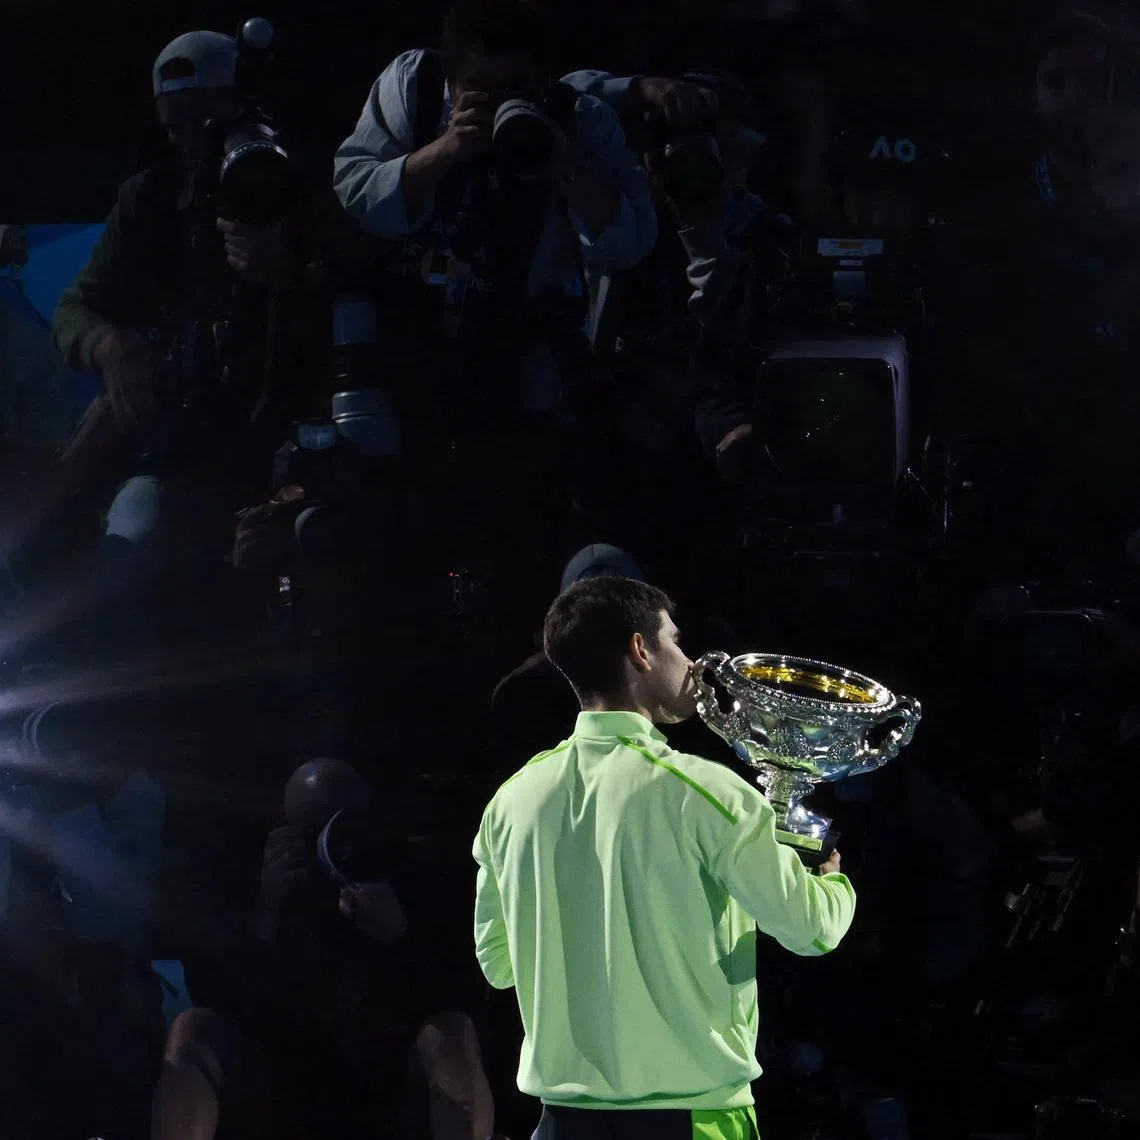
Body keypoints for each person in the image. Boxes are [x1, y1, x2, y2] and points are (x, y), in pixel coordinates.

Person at [473, 576, 856, 1137]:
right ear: (640, 649)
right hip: (692, 1117)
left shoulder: (510, 802)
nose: (690, 661)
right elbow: (812, 931)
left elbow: (498, 966)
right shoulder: (706, 793)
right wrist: (831, 881)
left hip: (561, 1122)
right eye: (676, 641)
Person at [332, 0, 657, 644]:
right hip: (406, 353)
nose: (500, 103)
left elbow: (631, 241)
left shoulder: (579, 120)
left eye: (517, 89)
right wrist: (446, 149)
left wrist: (564, 164)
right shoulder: (413, 87)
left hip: (519, 365)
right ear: (452, 77)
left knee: (513, 542)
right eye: (479, 88)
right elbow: (355, 189)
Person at [49, 29, 347, 662]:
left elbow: (357, 327)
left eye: (204, 125)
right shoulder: (151, 200)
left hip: (291, 456)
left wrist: (291, 278)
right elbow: (74, 309)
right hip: (182, 451)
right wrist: (109, 345)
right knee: (132, 542)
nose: (189, 143)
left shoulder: (312, 193)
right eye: (174, 129)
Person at [154, 758, 502, 1140]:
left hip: (388, 1082)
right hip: (284, 1083)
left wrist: (399, 936)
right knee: (192, 1028)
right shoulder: (267, 882)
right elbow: (215, 999)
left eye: (341, 823)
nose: (330, 841)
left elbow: (466, 996)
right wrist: (267, 918)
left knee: (452, 1030)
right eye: (311, 829)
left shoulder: (410, 876)